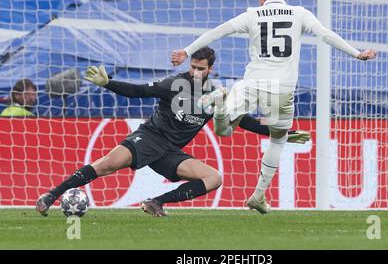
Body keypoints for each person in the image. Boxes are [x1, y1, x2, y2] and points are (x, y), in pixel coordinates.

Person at [171, 0, 377, 214]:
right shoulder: (299, 13)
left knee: (223, 130)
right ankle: (258, 195)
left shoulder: (251, 15)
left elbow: (218, 32)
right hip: (281, 90)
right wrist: (356, 53)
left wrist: (187, 51)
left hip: (251, 84)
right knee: (278, 139)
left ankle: (219, 106)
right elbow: (325, 34)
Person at [36, 47, 309, 217]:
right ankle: (51, 195)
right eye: (192, 66)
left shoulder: (216, 96)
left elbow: (246, 122)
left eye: (200, 69)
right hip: (148, 138)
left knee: (214, 178)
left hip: (170, 152)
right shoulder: (174, 83)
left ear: (210, 69)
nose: (194, 72)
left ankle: (156, 202)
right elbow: (140, 91)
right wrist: (109, 83)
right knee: (106, 165)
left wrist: (282, 133)